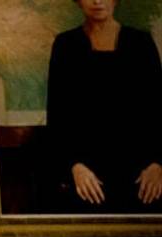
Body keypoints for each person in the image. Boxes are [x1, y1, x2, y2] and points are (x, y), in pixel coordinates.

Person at [47, 0, 162, 212]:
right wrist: (74, 166)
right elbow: (58, 117)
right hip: (86, 173)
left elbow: (158, 110)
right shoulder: (66, 45)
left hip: (141, 172)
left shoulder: (141, 42)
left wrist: (157, 164)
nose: (97, 1)